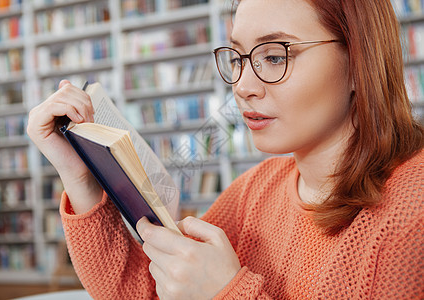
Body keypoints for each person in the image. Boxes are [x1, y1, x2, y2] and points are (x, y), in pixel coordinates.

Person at [27, 0, 423, 298]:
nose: (242, 86)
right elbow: (145, 292)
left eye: (273, 56)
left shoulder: (412, 212)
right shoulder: (255, 191)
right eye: (239, 57)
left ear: (358, 62)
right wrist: (80, 176)